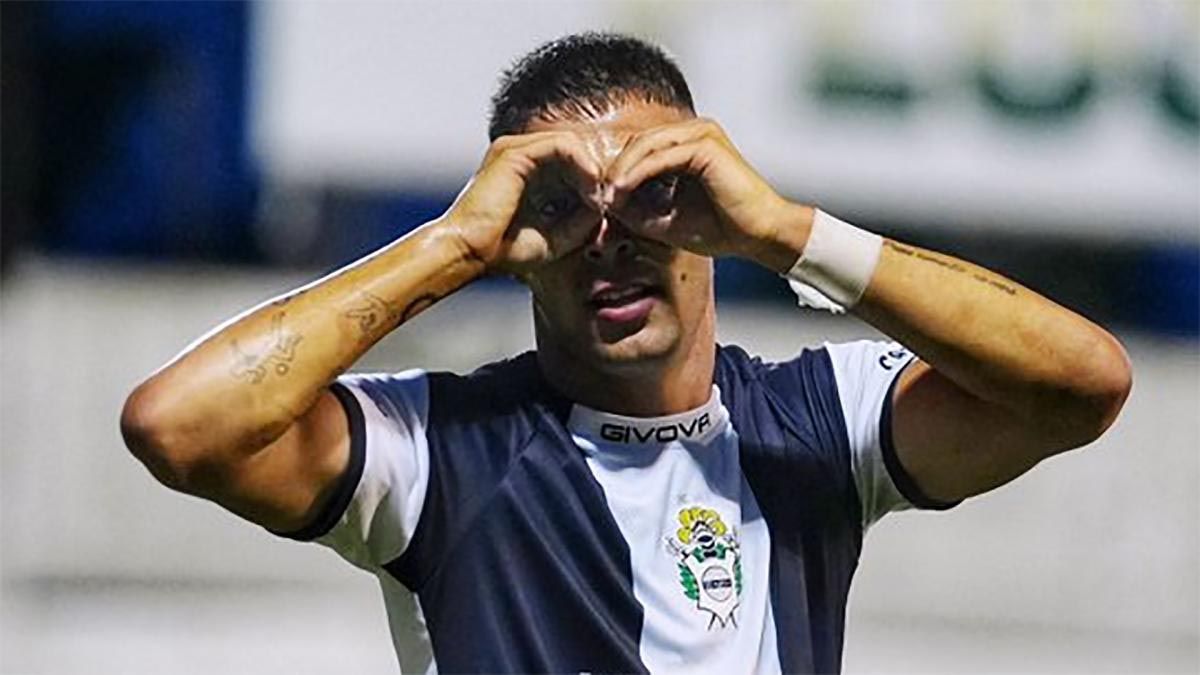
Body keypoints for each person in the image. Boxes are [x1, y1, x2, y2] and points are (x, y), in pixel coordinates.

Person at [120, 33, 1132, 674]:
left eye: (656, 194)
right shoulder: (436, 450)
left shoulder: (819, 421)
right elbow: (177, 424)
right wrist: (451, 245)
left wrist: (790, 233)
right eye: (559, 207)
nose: (608, 241)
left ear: (713, 201)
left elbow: (1082, 385)